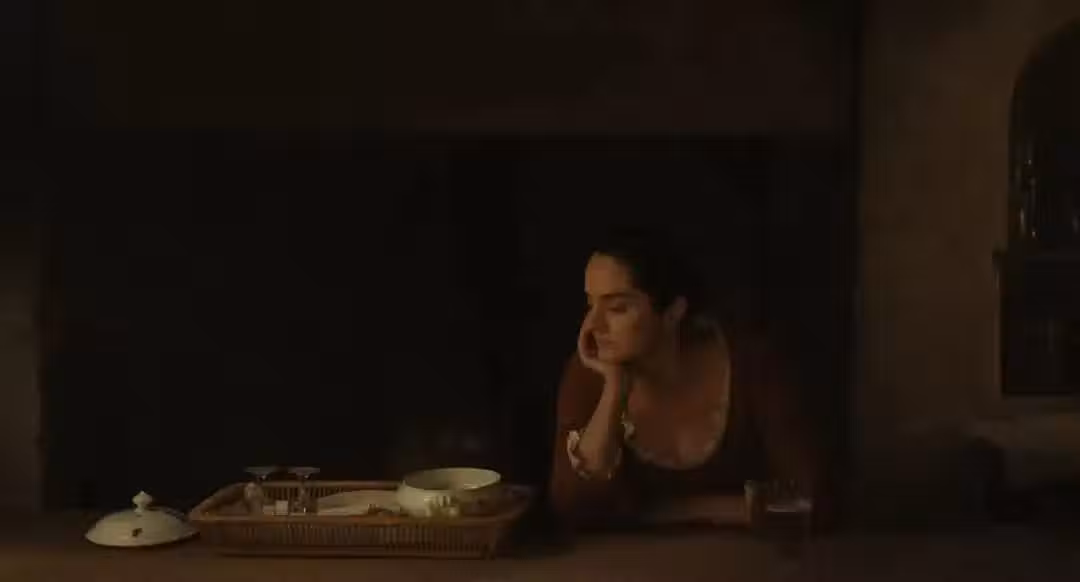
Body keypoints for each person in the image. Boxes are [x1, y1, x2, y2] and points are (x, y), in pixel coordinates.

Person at [548, 226, 832, 532]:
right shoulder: (591, 373)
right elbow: (574, 508)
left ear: (673, 312)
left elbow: (815, 500)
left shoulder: (752, 363)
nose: (593, 325)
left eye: (617, 308)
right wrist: (614, 391)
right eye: (590, 305)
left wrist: (683, 510)